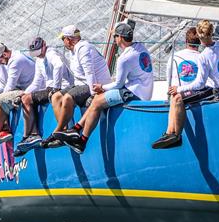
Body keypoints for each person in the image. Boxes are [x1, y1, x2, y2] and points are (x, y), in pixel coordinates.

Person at [54, 21, 154, 153]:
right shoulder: (141, 47)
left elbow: (118, 84)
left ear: (120, 38)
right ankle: (76, 130)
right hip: (145, 90)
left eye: (115, 37)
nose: (114, 40)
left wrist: (102, 87)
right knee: (97, 100)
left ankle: (82, 141)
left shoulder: (124, 58)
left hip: (133, 92)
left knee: (97, 102)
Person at [152, 20, 219, 149]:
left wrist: (178, 88)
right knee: (176, 97)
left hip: (199, 91)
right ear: (199, 42)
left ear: (186, 41)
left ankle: (174, 134)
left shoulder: (177, 56)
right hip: (204, 91)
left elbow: (170, 79)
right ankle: (170, 133)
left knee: (175, 97)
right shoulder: (208, 53)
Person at [44, 25, 111, 147]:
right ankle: (64, 131)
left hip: (94, 85)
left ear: (68, 39)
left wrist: (94, 93)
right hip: (80, 83)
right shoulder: (74, 50)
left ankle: (57, 132)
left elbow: (89, 72)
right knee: (56, 97)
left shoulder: (83, 48)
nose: (63, 42)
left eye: (62, 39)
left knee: (68, 98)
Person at [14, 36, 72, 156]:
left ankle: (31, 136)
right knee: (25, 98)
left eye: (39, 52)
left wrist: (56, 87)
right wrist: (23, 93)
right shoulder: (39, 60)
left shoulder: (51, 53)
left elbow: (59, 65)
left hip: (62, 87)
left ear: (44, 44)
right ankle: (31, 136)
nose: (38, 55)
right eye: (35, 53)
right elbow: (37, 82)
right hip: (50, 88)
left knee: (27, 100)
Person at [0, 43, 35, 145]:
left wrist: (0, 98)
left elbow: (9, 86)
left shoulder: (15, 61)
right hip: (26, 87)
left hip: (29, 89)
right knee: (0, 98)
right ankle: (3, 129)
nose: (0, 64)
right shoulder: (16, 55)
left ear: (5, 55)